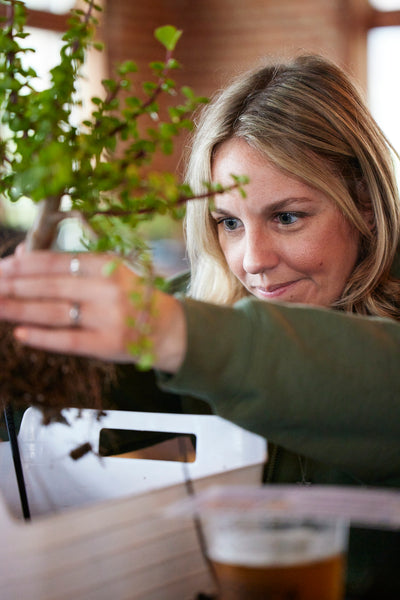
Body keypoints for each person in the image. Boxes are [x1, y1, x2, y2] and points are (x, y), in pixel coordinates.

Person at [0, 54, 399, 598]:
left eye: (287, 217)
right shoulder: (200, 307)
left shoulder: (192, 331)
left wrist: (172, 333)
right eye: (229, 223)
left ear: (365, 205)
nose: (252, 259)